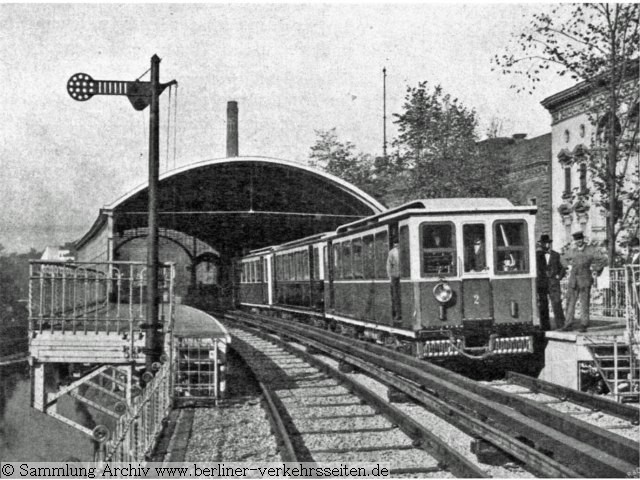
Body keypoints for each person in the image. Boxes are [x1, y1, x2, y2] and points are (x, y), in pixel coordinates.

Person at [558, 231, 607, 333]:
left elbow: (603, 259)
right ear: (574, 241)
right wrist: (568, 266)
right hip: (573, 280)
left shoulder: (591, 250)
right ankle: (568, 324)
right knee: (570, 302)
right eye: (576, 240)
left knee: (584, 303)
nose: (578, 242)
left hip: (585, 279)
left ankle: (584, 324)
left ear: (583, 239)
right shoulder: (572, 250)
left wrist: (595, 268)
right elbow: (562, 258)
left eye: (580, 240)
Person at [536, 234, 566, 331]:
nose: (547, 245)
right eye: (544, 243)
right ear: (541, 244)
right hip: (542, 284)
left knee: (557, 303)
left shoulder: (556, 255)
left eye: (548, 243)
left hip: (554, 283)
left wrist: (559, 276)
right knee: (543, 305)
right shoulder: (537, 255)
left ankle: (561, 325)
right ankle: (545, 326)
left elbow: (563, 268)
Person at [386, 240, 401, 325]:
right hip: (397, 276)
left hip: (397, 276)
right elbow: (389, 265)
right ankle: (398, 314)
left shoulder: (393, 252)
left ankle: (398, 314)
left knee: (397, 296)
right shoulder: (393, 252)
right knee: (397, 296)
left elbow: (389, 265)